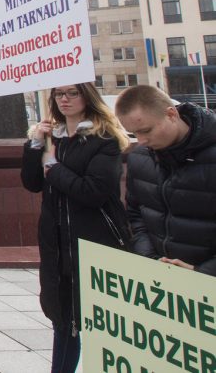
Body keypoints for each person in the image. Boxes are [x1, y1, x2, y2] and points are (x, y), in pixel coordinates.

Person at [23, 83, 130, 373]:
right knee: (64, 323)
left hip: (94, 242)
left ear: (87, 97)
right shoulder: (52, 137)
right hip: (58, 244)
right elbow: (32, 182)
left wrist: (55, 169)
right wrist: (35, 144)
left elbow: (94, 191)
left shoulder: (102, 138)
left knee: (99, 323)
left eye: (73, 93)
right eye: (59, 94)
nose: (65, 99)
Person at [116, 85, 216, 276]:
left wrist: (202, 272)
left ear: (171, 114)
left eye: (146, 130)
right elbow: (136, 217)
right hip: (162, 282)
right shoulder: (140, 158)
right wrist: (150, 259)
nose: (141, 140)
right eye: (133, 133)